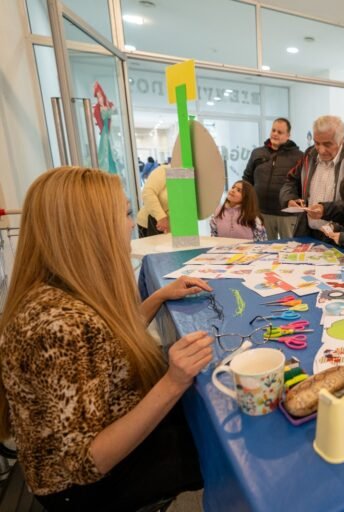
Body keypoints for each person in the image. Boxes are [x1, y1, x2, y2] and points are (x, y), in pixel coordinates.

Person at [0, 167, 214, 511]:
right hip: (83, 489)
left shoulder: (58, 289)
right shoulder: (60, 326)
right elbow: (86, 463)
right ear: (89, 229)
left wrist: (157, 298)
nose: (131, 224)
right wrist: (173, 382)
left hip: (97, 441)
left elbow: (103, 344)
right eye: (125, 213)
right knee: (211, 440)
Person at [279, 115, 344, 240]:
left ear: (342, 139)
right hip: (308, 232)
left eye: (328, 144)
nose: (321, 150)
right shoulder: (309, 154)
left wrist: (326, 210)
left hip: (341, 236)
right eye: (317, 143)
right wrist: (290, 199)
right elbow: (290, 180)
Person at [242, 118, 303, 240]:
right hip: (261, 213)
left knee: (290, 248)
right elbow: (247, 179)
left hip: (287, 214)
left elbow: (302, 184)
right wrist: (246, 203)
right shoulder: (257, 153)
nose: (275, 134)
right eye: (273, 130)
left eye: (280, 132)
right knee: (264, 250)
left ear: (288, 136)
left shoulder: (299, 156)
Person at [136, 163, 169, 237]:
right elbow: (147, 193)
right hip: (151, 224)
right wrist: (161, 217)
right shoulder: (164, 170)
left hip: (174, 229)